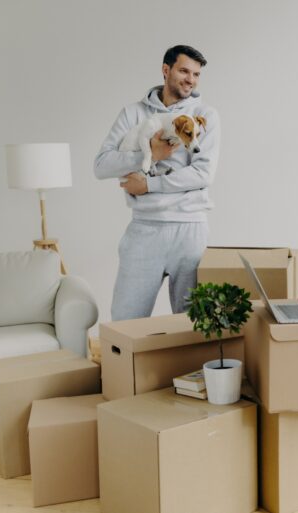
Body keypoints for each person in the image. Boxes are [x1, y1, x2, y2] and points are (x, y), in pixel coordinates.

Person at [94, 45, 220, 321]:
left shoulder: (205, 115)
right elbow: (101, 165)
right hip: (144, 228)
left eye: (196, 74)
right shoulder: (133, 114)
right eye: (184, 71)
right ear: (166, 70)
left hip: (190, 230)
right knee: (126, 322)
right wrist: (151, 152)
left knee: (195, 325)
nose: (191, 79)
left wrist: (149, 185)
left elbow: (202, 174)